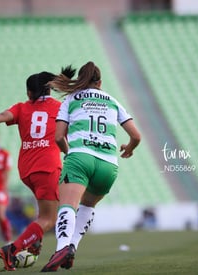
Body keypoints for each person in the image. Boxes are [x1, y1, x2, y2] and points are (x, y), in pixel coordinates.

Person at [0, 67, 75, 271]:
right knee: (49, 219)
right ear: (48, 90)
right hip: (47, 168)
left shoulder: (22, 107)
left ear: (30, 93)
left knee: (43, 214)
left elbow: (3, 115)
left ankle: (34, 242)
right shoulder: (58, 107)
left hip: (27, 170)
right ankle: (13, 249)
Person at [41, 61, 141, 272]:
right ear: (100, 82)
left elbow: (59, 137)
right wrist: (129, 148)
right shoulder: (113, 101)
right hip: (108, 165)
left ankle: (61, 248)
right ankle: (72, 248)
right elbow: (136, 136)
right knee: (87, 206)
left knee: (68, 205)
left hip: (80, 158)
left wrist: (70, 153)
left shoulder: (70, 99)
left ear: (81, 80)